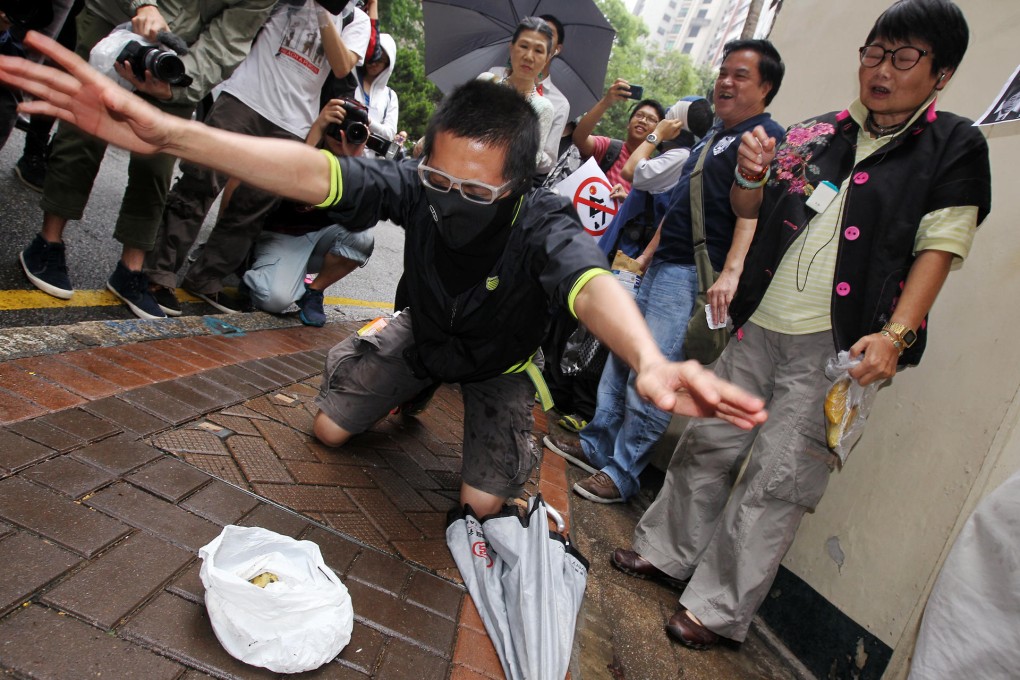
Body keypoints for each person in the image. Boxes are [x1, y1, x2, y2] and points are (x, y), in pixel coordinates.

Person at [0, 33, 771, 519]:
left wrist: (649, 359)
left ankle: (497, 425)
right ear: (426, 156)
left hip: (500, 365)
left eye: (476, 193)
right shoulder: (413, 186)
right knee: (329, 429)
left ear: (517, 185)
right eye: (440, 182)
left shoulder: (543, 222)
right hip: (427, 333)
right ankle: (394, 365)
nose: (452, 203)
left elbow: (590, 286)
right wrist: (173, 132)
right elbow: (312, 173)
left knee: (479, 505)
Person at [612, 0, 990, 651]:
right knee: (708, 444)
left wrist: (896, 336)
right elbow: (751, 208)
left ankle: (719, 608)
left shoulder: (954, 145)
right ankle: (665, 551)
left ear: (942, 73)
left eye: (903, 58)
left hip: (834, 346)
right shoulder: (819, 132)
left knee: (779, 479)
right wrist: (751, 178)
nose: (881, 70)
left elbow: (942, 247)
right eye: (874, 53)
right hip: (760, 324)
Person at [546, 40, 786, 505]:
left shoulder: (763, 138)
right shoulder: (713, 139)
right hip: (661, 265)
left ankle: (623, 473)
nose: (725, 83)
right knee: (623, 354)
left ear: (766, 87)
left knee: (654, 371)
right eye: (723, 73)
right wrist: (648, 256)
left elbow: (753, 214)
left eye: (740, 75)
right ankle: (597, 445)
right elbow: (679, 207)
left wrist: (730, 271)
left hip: (691, 276)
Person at [15, 0, 275, 317]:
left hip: (178, 54)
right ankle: (47, 242)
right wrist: (145, 5)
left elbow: (227, 41)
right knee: (83, 133)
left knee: (158, 159)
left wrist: (176, 85)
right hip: (115, 17)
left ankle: (131, 269)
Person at [143, 0, 371, 318]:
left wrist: (323, 10)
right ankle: (158, 275)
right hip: (245, 97)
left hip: (294, 122)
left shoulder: (354, 19)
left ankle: (207, 278)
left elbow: (342, 66)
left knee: (252, 208)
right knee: (199, 183)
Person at [242, 98, 372, 326]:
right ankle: (255, 265)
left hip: (320, 239)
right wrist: (318, 128)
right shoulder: (302, 138)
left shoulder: (358, 161)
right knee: (273, 300)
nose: (342, 135)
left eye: (352, 130)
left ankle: (314, 290)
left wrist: (353, 159)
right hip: (282, 234)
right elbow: (292, 183)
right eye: (337, 126)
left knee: (362, 237)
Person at [478, 16, 555, 170]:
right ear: (511, 48)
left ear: (547, 59)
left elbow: (531, 161)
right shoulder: (486, 81)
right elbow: (455, 123)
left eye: (538, 50)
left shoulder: (542, 107)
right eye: (524, 46)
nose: (528, 56)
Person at [571, 79, 665, 198]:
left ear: (659, 131)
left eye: (651, 119)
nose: (643, 121)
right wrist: (606, 101)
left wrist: (627, 200)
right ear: (628, 123)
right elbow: (579, 138)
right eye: (639, 115)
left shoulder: (653, 171)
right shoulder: (609, 148)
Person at [353, 31, 398, 156]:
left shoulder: (390, 96)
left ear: (388, 63)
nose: (373, 63)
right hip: (344, 151)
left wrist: (367, 121)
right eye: (371, 57)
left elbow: (390, 133)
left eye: (380, 60)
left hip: (371, 163)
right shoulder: (351, 82)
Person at [535, 13, 569, 179]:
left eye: (549, 33)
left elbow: (548, 162)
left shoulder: (558, 104)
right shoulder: (493, 77)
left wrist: (526, 146)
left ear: (557, 49)